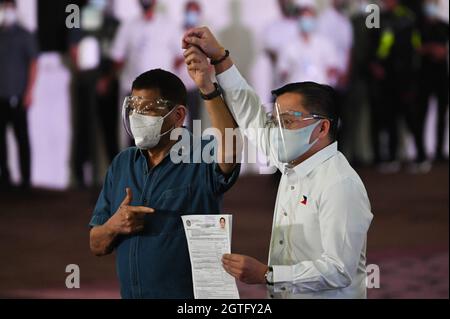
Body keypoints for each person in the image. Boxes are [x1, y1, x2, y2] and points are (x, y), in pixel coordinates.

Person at [183, 27, 373, 299]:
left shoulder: (339, 183)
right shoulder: (293, 163)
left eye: (287, 122)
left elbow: (339, 270)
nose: (276, 129)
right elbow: (250, 115)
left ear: (321, 128)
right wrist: (219, 61)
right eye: (276, 120)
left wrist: (267, 275)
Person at [88, 66, 240, 298]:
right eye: (134, 108)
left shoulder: (202, 153)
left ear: (178, 116)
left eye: (147, 109)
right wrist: (114, 226)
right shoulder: (122, 163)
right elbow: (95, 244)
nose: (137, 117)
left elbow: (230, 146)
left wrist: (207, 88)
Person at [110, 0, 177, 148]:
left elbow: (179, 56)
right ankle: (135, 170)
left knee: (161, 136)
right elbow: (117, 57)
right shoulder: (128, 26)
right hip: (135, 92)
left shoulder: (168, 25)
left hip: (160, 93)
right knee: (134, 138)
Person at [69, 0, 120, 188]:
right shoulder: (78, 18)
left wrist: (106, 79)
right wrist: (89, 77)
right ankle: (81, 179)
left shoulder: (113, 21)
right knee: (84, 129)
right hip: (86, 83)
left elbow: (118, 55)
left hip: (108, 82)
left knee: (109, 131)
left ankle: (116, 179)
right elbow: (74, 50)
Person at [368, 0, 421, 173]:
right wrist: (375, 63)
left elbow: (412, 46)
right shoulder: (376, 14)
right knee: (389, 117)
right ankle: (392, 158)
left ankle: (420, 156)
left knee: (410, 117)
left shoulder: (407, 15)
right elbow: (373, 39)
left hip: (405, 76)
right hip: (386, 76)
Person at [0, 0, 38, 191]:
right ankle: (4, 178)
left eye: (8, 8)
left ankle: (26, 180)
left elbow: (33, 63)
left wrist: (29, 92)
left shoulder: (24, 35)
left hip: (18, 96)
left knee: (21, 138)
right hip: (1, 96)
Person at [415, 0, 449, 167]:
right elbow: (416, 48)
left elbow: (444, 51)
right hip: (423, 78)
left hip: (442, 77)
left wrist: (437, 50)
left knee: (442, 115)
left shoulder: (444, 26)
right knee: (421, 114)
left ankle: (439, 152)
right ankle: (420, 152)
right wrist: (432, 49)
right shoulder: (418, 26)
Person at [277, 0, 340, 87]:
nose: (306, 20)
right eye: (303, 16)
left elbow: (333, 69)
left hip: (319, 92)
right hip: (297, 93)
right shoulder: (289, 45)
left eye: (309, 16)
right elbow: (283, 71)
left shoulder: (325, 44)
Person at [173, 1, 203, 131]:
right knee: (176, 123)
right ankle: (176, 149)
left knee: (196, 123)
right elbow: (170, 60)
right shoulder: (174, 32)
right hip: (178, 87)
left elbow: (210, 63)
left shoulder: (203, 36)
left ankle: (196, 149)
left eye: (194, 12)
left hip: (195, 87)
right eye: (189, 12)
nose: (192, 15)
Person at [263, 0, 299, 89]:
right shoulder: (271, 28)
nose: (286, 2)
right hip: (282, 80)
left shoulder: (301, 24)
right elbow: (271, 53)